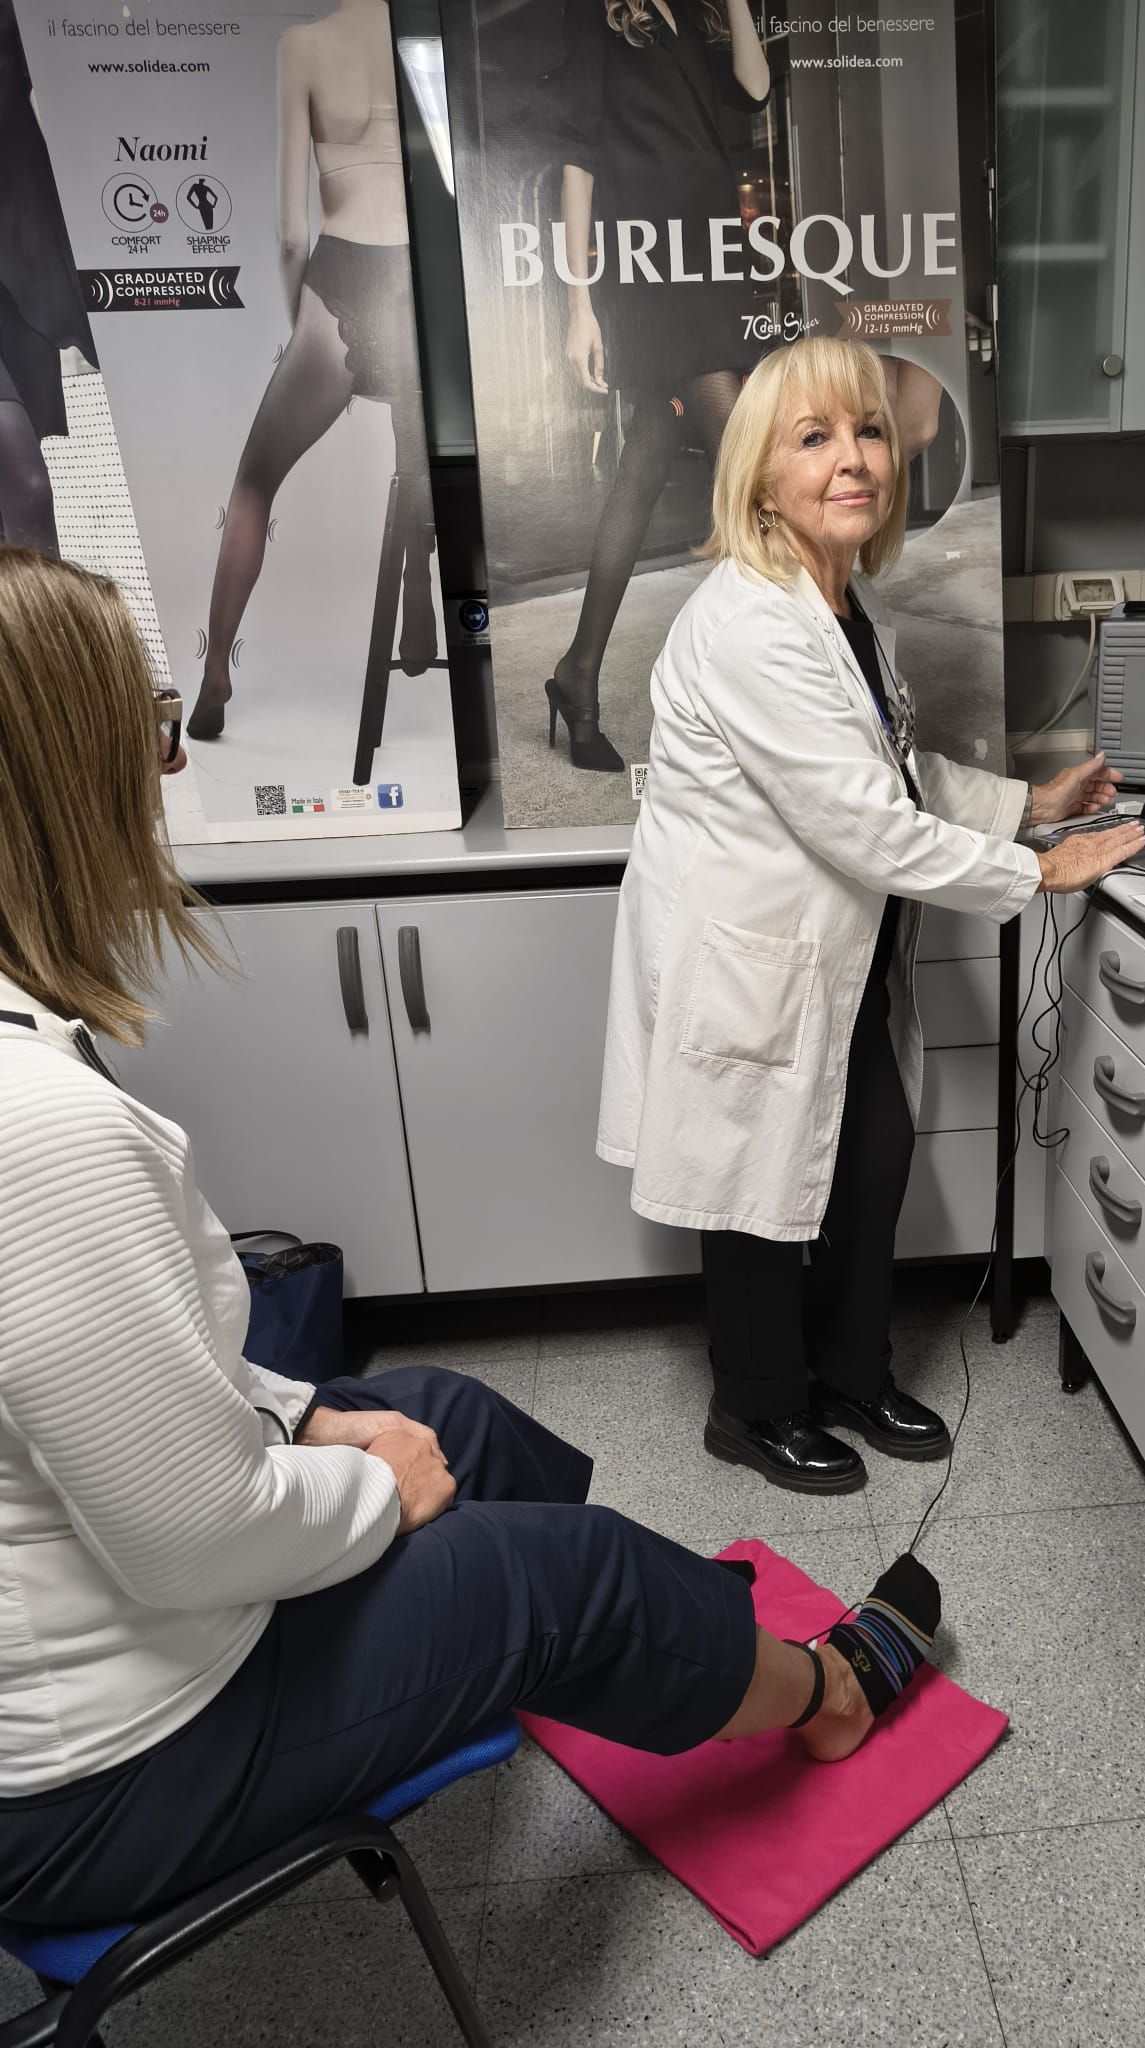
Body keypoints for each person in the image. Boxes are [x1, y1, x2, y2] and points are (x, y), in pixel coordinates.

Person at [0, 543, 941, 1931]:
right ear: (60, 775)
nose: (166, 767)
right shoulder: (36, 1129)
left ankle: (647, 1653)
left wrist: (318, 1417)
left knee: (446, 1411)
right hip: (96, 1786)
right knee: (553, 1571)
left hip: (108, 1631)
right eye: (141, 726)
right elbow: (190, 1544)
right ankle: (823, 1690)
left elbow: (98, 1389)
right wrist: (383, 1495)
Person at [598, 336, 1145, 1493]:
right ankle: (752, 1406)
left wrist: (1027, 803)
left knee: (870, 1152)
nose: (854, 459)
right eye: (814, 438)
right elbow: (864, 824)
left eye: (867, 432)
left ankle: (848, 1369)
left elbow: (897, 776)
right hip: (761, 955)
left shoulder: (847, 608)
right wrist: (1036, 873)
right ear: (758, 476)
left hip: (841, 954)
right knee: (755, 1185)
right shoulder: (750, 623)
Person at [187, 0, 435, 744]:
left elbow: (293, 229)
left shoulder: (304, 44)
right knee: (418, 452)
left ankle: (215, 679)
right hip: (418, 281)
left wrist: (304, 320)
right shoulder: (425, 40)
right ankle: (417, 599)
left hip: (345, 274)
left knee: (254, 484)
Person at [545, 0, 770, 771]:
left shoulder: (686, 15)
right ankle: (785, 691)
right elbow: (578, 161)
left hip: (708, 254)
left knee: (643, 467)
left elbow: (755, 86)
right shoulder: (597, 15)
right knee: (750, 460)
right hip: (651, 266)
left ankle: (578, 672)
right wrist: (580, 306)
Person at [0, 0, 98, 557]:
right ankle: (46, 645)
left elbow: (72, 77)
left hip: (18, 260)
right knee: (28, 489)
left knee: (15, 499)